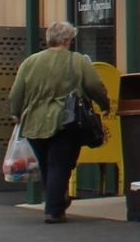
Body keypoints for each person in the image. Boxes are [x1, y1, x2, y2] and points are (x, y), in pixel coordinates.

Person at [9, 20, 112, 223]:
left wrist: (16, 113)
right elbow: (94, 85)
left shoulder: (30, 62)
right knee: (60, 164)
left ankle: (57, 199)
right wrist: (104, 104)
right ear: (67, 40)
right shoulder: (77, 60)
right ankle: (54, 209)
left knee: (48, 165)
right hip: (66, 120)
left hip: (34, 122)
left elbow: (16, 93)